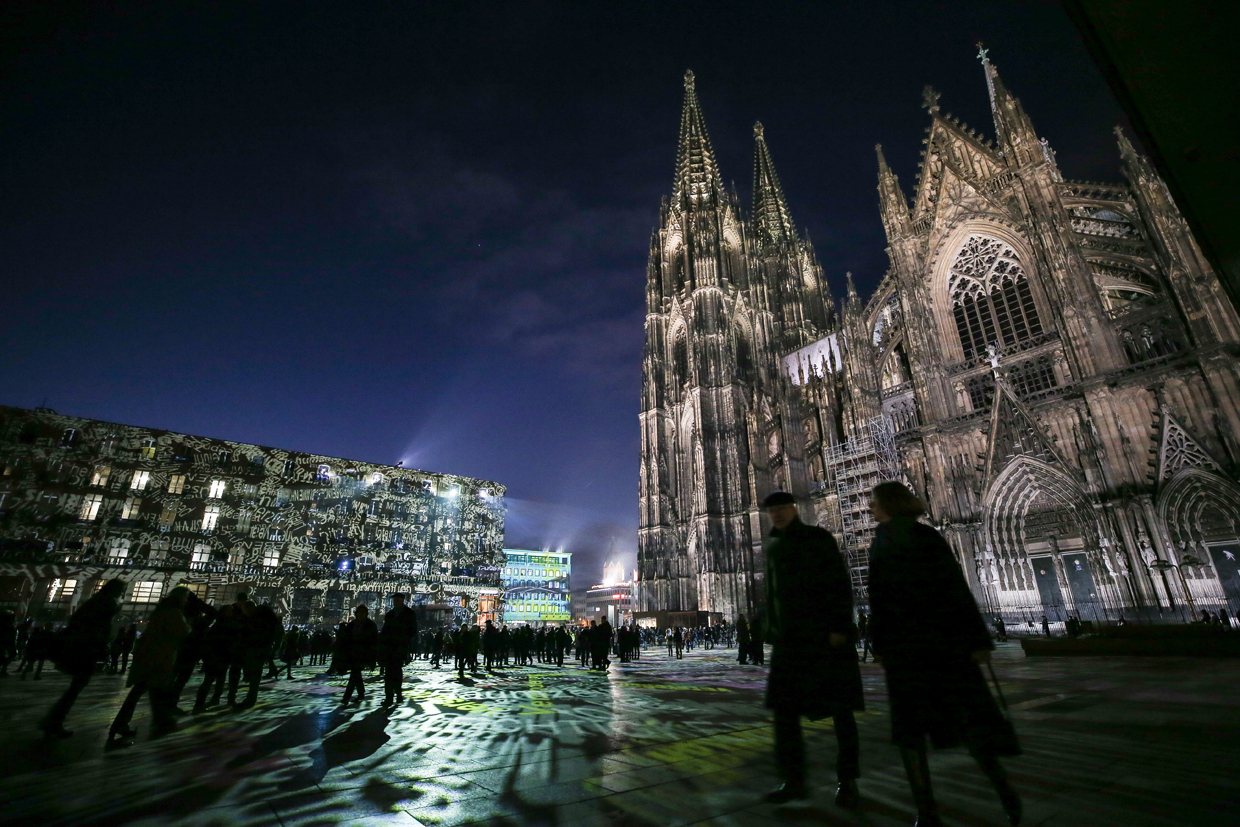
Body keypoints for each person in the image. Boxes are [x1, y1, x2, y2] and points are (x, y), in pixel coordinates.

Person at [867, 481, 1021, 827]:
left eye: (874, 502)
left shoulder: (906, 539)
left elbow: (938, 590)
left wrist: (882, 643)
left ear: (890, 504)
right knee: (967, 723)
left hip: (920, 649)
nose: (869, 508)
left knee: (914, 731)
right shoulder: (907, 538)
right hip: (941, 647)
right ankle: (1002, 792)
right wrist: (976, 640)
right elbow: (953, 589)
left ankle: (928, 810)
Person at [760, 491, 864, 807]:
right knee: (784, 713)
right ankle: (794, 779)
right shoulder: (774, 546)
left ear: (794, 509)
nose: (776, 514)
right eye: (772, 510)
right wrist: (772, 630)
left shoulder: (816, 538)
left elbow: (838, 583)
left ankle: (847, 781)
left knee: (840, 713)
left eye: (781, 509)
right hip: (790, 643)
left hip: (822, 639)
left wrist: (838, 628)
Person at [41, 579, 125, 737]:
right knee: (77, 686)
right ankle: (54, 721)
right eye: (122, 590)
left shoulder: (93, 601)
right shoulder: (107, 604)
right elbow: (102, 629)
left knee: (76, 686)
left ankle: (53, 720)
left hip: (80, 647)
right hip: (87, 649)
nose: (122, 593)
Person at [109, 587, 192, 743]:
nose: (186, 601)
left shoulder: (162, 610)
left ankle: (159, 721)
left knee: (149, 690)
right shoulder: (174, 612)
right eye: (185, 597)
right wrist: (190, 623)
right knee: (149, 690)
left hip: (150, 655)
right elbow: (183, 631)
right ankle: (158, 722)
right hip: (158, 657)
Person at [380, 594, 418, 704]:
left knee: (396, 672)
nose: (395, 602)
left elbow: (413, 631)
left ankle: (397, 693)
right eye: (394, 600)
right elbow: (385, 631)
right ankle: (389, 697)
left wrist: (409, 645)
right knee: (389, 673)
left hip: (401, 647)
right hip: (390, 647)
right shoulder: (390, 614)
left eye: (397, 600)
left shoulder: (409, 614)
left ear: (402, 601)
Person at [339, 605, 378, 704]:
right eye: (359, 612)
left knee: (354, 674)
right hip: (352, 653)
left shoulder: (370, 625)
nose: (361, 615)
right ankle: (361, 692)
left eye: (363, 613)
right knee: (356, 674)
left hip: (363, 653)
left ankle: (346, 697)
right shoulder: (352, 624)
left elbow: (374, 641)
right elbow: (345, 639)